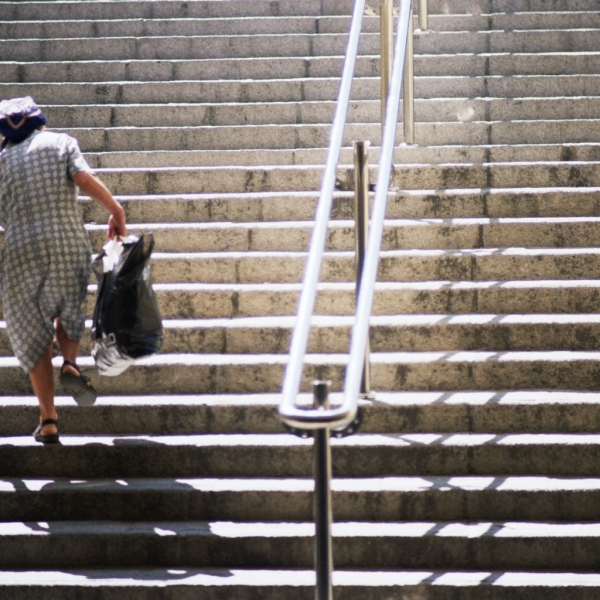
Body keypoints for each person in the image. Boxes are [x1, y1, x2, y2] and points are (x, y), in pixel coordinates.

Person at [0, 96, 127, 444]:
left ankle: (49, 420)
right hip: (66, 241)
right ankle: (70, 363)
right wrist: (115, 209)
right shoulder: (61, 142)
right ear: (38, 121)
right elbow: (83, 178)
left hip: (20, 252)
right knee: (68, 309)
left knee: (34, 333)